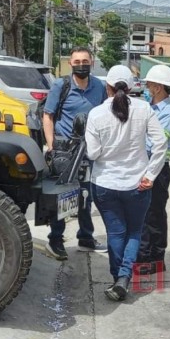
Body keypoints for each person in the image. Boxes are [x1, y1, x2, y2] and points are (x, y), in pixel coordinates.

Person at [85, 65, 167, 301]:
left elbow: (92, 153)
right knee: (134, 231)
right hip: (138, 184)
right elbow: (160, 143)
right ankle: (123, 278)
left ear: (107, 87)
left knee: (115, 232)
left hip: (105, 184)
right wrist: (150, 175)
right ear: (131, 87)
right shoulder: (144, 109)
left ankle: (118, 278)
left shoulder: (96, 114)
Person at [43, 46, 107, 260]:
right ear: (70, 64)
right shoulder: (61, 85)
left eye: (85, 61)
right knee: (62, 197)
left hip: (89, 150)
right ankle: (55, 239)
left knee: (86, 196)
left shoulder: (99, 86)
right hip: (64, 151)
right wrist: (51, 144)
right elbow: (48, 116)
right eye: (77, 61)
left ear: (92, 62)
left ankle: (86, 238)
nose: (82, 65)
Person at [136, 65, 170, 275]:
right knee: (143, 214)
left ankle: (154, 258)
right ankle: (143, 254)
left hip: (158, 170)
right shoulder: (148, 109)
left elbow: (154, 143)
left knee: (154, 215)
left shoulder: (169, 114)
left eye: (150, 84)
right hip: (144, 166)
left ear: (160, 87)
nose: (147, 87)